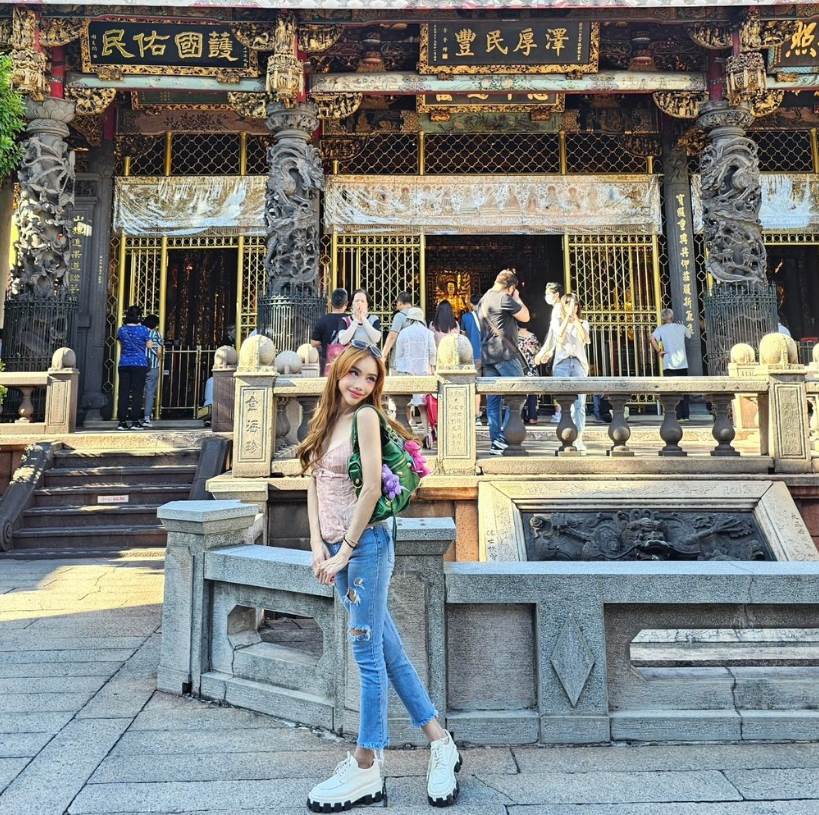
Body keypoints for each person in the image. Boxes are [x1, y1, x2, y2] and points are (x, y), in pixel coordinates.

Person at [298, 345, 461, 812]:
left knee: (366, 656)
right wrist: (317, 546)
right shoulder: (326, 419)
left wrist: (344, 552)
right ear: (338, 372)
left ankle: (366, 764)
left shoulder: (367, 418)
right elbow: (313, 483)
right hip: (336, 549)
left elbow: (371, 488)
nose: (360, 385)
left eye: (370, 378)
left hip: (366, 546)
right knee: (387, 650)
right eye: (354, 374)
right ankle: (440, 740)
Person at [478, 269, 530, 455]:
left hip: (488, 355)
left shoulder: (483, 299)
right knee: (520, 393)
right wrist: (517, 298)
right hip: (505, 354)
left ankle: (496, 443)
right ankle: (502, 437)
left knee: (493, 401)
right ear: (511, 287)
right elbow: (525, 316)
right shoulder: (503, 298)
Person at [537, 294, 590, 451]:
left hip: (578, 363)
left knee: (579, 404)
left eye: (575, 304)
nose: (572, 307)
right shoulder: (557, 321)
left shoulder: (583, 323)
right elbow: (559, 336)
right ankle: (566, 436)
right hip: (562, 364)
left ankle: (578, 437)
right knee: (565, 403)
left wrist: (576, 320)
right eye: (568, 304)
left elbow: (585, 339)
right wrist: (567, 318)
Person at [394, 306, 438, 437]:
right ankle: (426, 432)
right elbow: (433, 353)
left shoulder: (403, 333)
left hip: (407, 372)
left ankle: (406, 433)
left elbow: (399, 354)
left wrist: (399, 369)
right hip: (424, 372)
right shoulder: (428, 333)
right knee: (422, 406)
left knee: (405, 406)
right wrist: (432, 367)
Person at [650, 308, 693, 420]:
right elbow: (689, 334)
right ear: (672, 317)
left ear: (663, 318)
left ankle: (676, 414)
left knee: (672, 390)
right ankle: (686, 415)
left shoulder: (660, 329)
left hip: (669, 363)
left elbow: (652, 338)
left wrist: (659, 351)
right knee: (684, 389)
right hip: (682, 363)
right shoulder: (680, 327)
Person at [116, 305, 153, 431]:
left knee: (123, 392)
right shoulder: (143, 330)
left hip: (124, 363)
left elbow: (121, 343)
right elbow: (149, 345)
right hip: (139, 364)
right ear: (139, 316)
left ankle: (122, 421)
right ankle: (135, 421)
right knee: (137, 393)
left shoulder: (121, 330)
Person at [311, 288, 350, 375]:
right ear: (346, 303)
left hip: (327, 364)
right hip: (346, 363)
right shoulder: (350, 320)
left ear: (330, 302)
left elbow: (313, 343)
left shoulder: (322, 320)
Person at [542, 282, 564, 423]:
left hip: (560, 350)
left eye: (548, 294)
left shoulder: (558, 309)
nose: (546, 297)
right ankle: (561, 411)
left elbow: (556, 333)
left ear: (556, 294)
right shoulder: (558, 308)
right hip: (558, 349)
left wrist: (549, 350)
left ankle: (560, 412)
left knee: (559, 381)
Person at [461, 293, 484, 423]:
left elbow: (463, 337)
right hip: (489, 355)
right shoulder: (487, 316)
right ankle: (493, 416)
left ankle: (476, 415)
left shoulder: (466, 317)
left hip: (474, 355)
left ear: (470, 304)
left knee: (475, 386)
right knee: (492, 385)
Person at [381, 291, 414, 370]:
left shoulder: (399, 316)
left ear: (400, 303)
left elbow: (392, 336)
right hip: (416, 359)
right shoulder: (421, 318)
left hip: (401, 358)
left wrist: (383, 355)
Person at [517, 326, 541, 424]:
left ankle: (520, 416)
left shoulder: (514, 336)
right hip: (531, 367)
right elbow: (537, 352)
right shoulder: (532, 337)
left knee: (519, 393)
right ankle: (532, 417)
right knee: (532, 393)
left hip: (519, 367)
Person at [142, 314, 163, 427]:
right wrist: (156, 354)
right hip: (153, 366)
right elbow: (159, 352)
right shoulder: (156, 334)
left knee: (137, 391)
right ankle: (146, 417)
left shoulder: (140, 333)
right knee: (150, 392)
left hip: (139, 365)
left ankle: (133, 415)